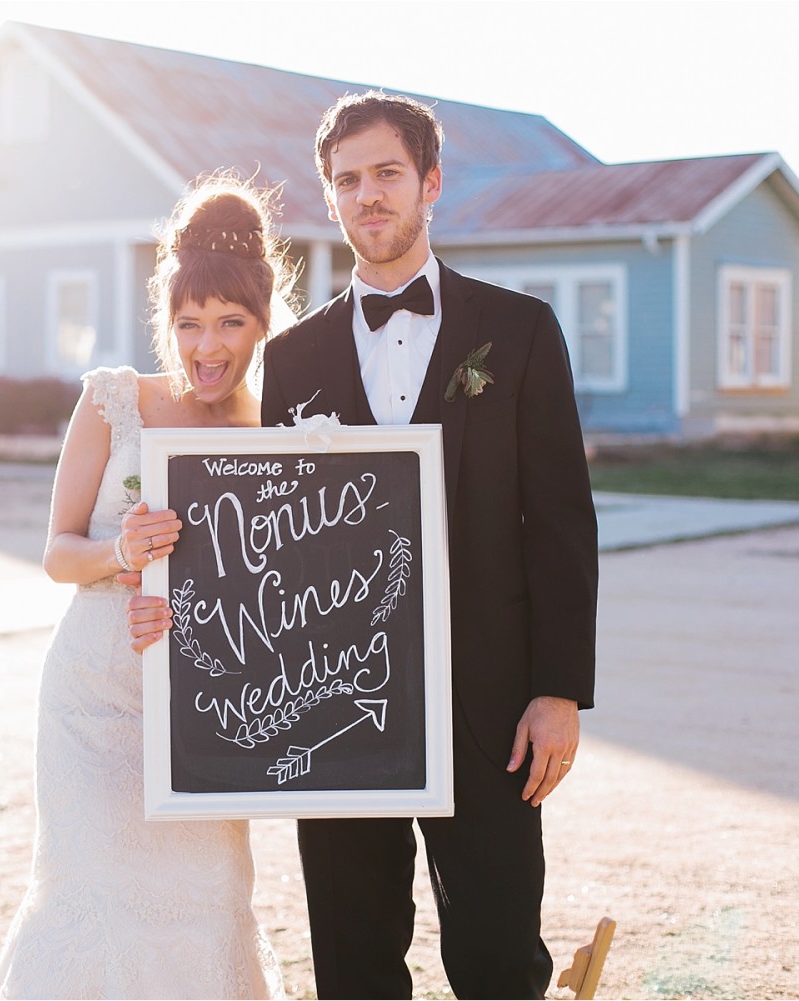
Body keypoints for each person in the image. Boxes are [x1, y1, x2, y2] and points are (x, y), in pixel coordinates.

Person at [260, 92, 598, 999]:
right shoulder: (290, 359)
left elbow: (561, 521)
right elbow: (271, 545)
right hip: (336, 710)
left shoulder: (520, 331)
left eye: (387, 173)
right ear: (330, 196)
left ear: (431, 183)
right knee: (354, 962)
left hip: (490, 708)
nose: (367, 196)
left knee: (498, 959)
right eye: (347, 180)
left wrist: (559, 690)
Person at [0, 176, 292, 1000]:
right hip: (94, 698)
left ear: (263, 320)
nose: (206, 346)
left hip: (208, 705)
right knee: (95, 893)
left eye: (230, 322)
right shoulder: (113, 400)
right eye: (189, 323)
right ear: (166, 319)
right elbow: (57, 553)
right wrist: (121, 552)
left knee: (205, 900)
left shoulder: (273, 430)